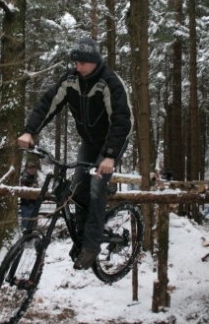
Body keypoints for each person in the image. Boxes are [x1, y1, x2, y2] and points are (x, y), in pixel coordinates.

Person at [17, 37, 133, 270]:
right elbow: (47, 104)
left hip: (111, 143)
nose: (76, 66)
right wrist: (30, 132)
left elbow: (122, 121)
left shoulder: (110, 82)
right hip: (89, 143)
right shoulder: (70, 80)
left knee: (97, 187)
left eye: (81, 63)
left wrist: (110, 156)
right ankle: (81, 239)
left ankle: (91, 246)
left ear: (93, 62)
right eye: (75, 62)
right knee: (77, 189)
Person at [19, 159, 40, 229]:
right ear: (26, 169)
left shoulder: (34, 178)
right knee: (26, 225)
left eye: (33, 168)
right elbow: (24, 192)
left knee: (33, 225)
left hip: (34, 205)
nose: (32, 170)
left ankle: (31, 237)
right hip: (26, 205)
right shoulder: (24, 178)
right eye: (30, 168)